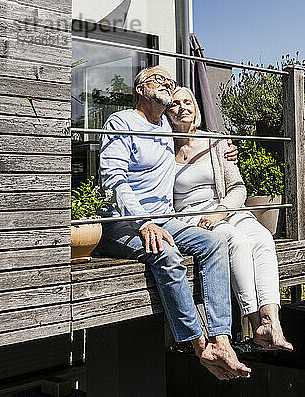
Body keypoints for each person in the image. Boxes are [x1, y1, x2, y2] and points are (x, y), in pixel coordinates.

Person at [97, 66, 251, 380]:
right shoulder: (122, 122)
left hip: (166, 220)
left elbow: (194, 133)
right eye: (160, 80)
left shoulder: (167, 127)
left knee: (215, 242)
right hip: (123, 224)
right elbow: (113, 180)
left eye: (172, 82)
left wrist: (223, 147)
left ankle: (222, 338)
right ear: (140, 89)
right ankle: (198, 347)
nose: (168, 84)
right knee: (166, 254)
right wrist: (144, 222)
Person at [166, 86, 293, 351]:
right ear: (167, 112)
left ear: (196, 109)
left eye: (187, 102)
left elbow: (238, 187)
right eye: (175, 103)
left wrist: (221, 210)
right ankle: (256, 321)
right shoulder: (162, 147)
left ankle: (273, 320)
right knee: (235, 241)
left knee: (262, 237)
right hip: (191, 217)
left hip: (224, 208)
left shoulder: (216, 142)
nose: (182, 107)